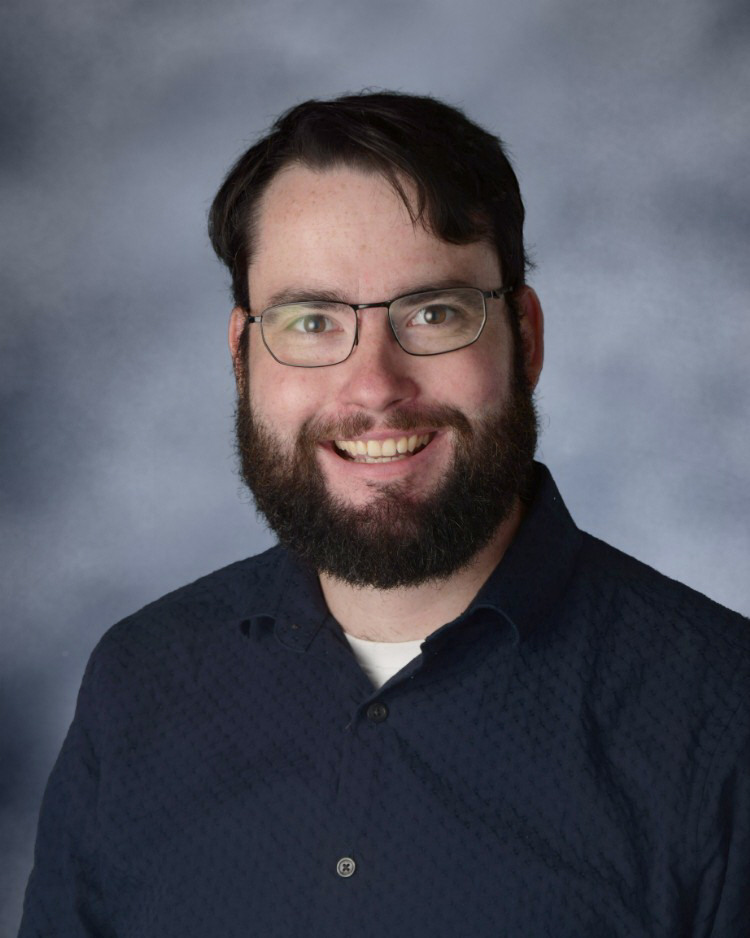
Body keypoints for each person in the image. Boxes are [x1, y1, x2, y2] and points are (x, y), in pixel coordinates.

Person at [19, 91, 749, 938]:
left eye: (433, 313)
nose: (373, 386)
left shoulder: (722, 717)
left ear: (526, 338)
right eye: (312, 320)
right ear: (243, 358)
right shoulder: (141, 683)